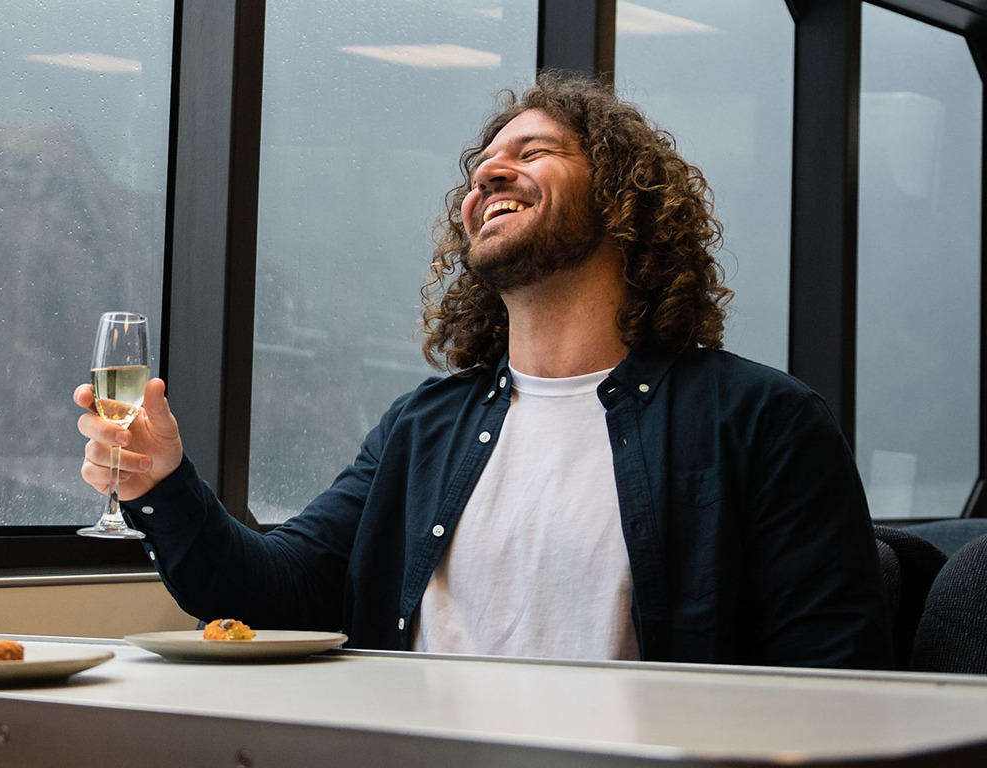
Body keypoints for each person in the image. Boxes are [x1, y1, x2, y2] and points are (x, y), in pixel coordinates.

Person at [76, 74, 891, 669]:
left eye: (532, 153)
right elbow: (268, 589)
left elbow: (832, 684)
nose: (486, 176)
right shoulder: (420, 427)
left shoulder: (764, 422)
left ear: (621, 197)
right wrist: (162, 483)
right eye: (479, 170)